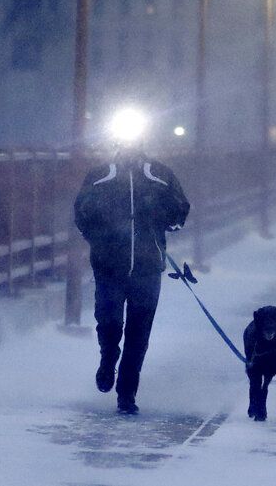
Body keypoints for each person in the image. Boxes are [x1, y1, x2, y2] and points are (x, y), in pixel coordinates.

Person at [74, 141, 189, 415]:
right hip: (108, 266)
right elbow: (81, 213)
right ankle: (108, 357)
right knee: (109, 321)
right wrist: (99, 239)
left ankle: (127, 394)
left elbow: (180, 213)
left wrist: (160, 214)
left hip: (147, 268)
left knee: (138, 335)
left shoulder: (160, 174)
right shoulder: (101, 175)